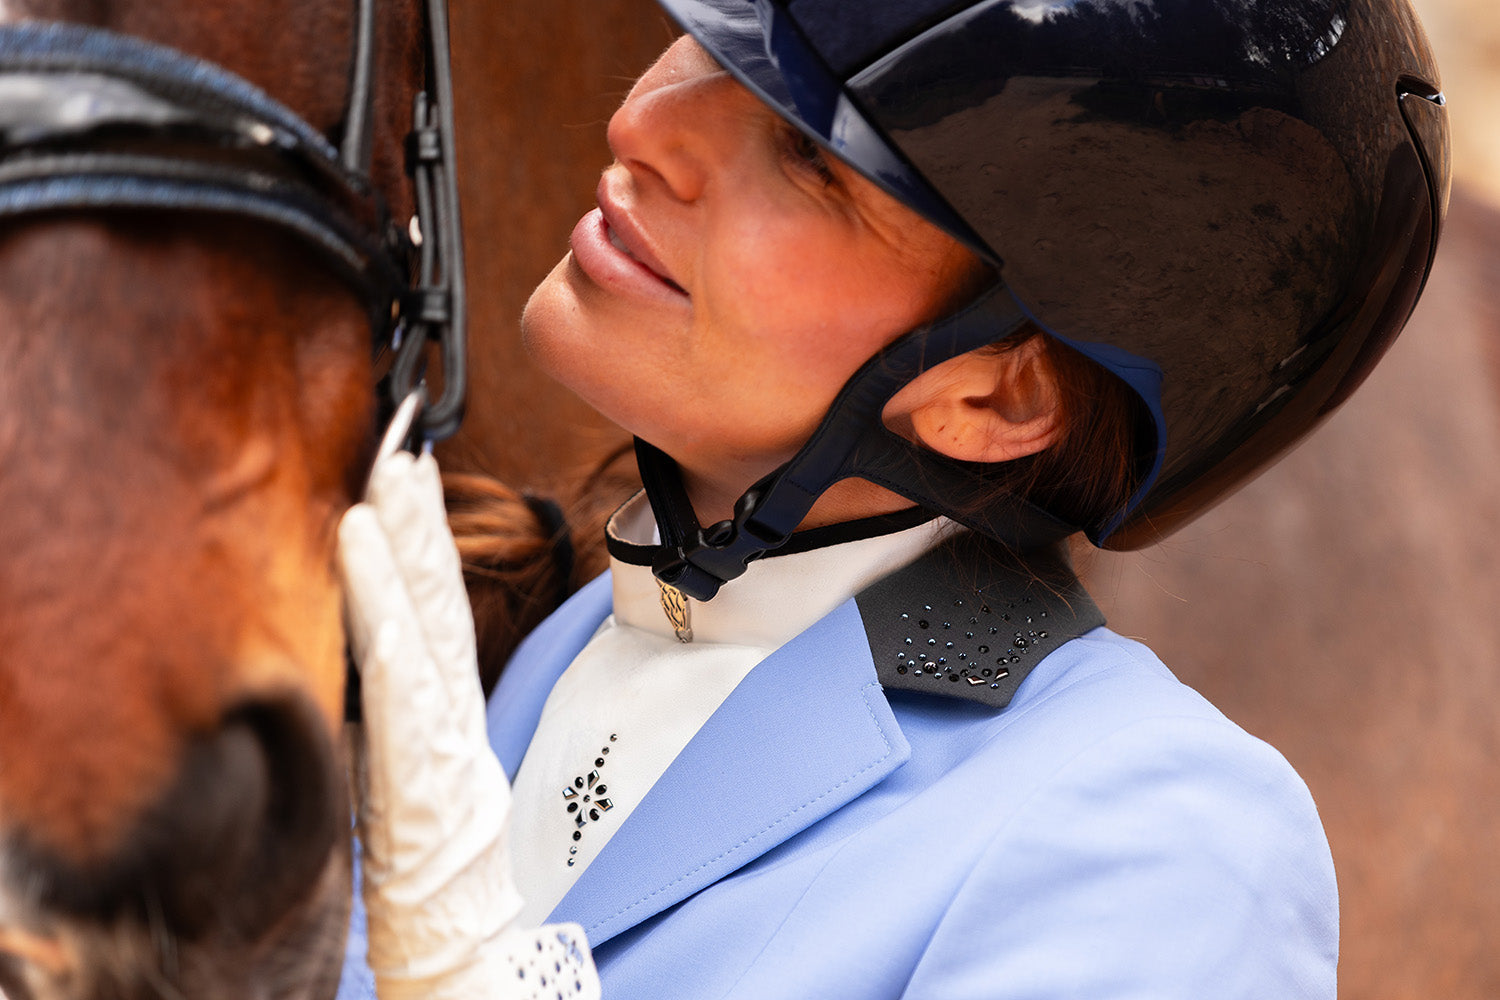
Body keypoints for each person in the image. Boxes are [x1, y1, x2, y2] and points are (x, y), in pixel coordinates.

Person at [336, 0, 1449, 997]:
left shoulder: (1169, 841)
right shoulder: (526, 653)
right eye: (710, 37)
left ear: (997, 394)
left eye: (811, 154)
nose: (646, 127)